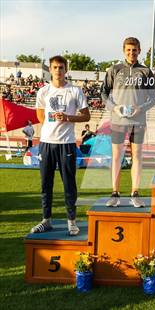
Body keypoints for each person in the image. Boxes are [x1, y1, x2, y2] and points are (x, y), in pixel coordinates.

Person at [31, 55, 90, 235]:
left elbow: (86, 116)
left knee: (69, 185)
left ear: (66, 70)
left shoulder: (75, 91)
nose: (58, 71)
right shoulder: (43, 92)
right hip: (47, 143)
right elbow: (40, 117)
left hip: (67, 144)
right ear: (50, 69)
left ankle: (71, 221)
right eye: (55, 67)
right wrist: (52, 124)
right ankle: (46, 219)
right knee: (45, 184)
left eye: (61, 67)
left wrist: (67, 118)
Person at [101, 37, 155, 208]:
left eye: (134, 50)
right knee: (117, 157)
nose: (131, 53)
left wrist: (141, 108)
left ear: (139, 51)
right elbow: (104, 93)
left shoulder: (146, 71)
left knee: (137, 157)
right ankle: (115, 193)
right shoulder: (114, 69)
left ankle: (135, 193)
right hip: (118, 120)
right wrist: (114, 108)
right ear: (123, 50)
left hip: (138, 121)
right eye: (128, 50)